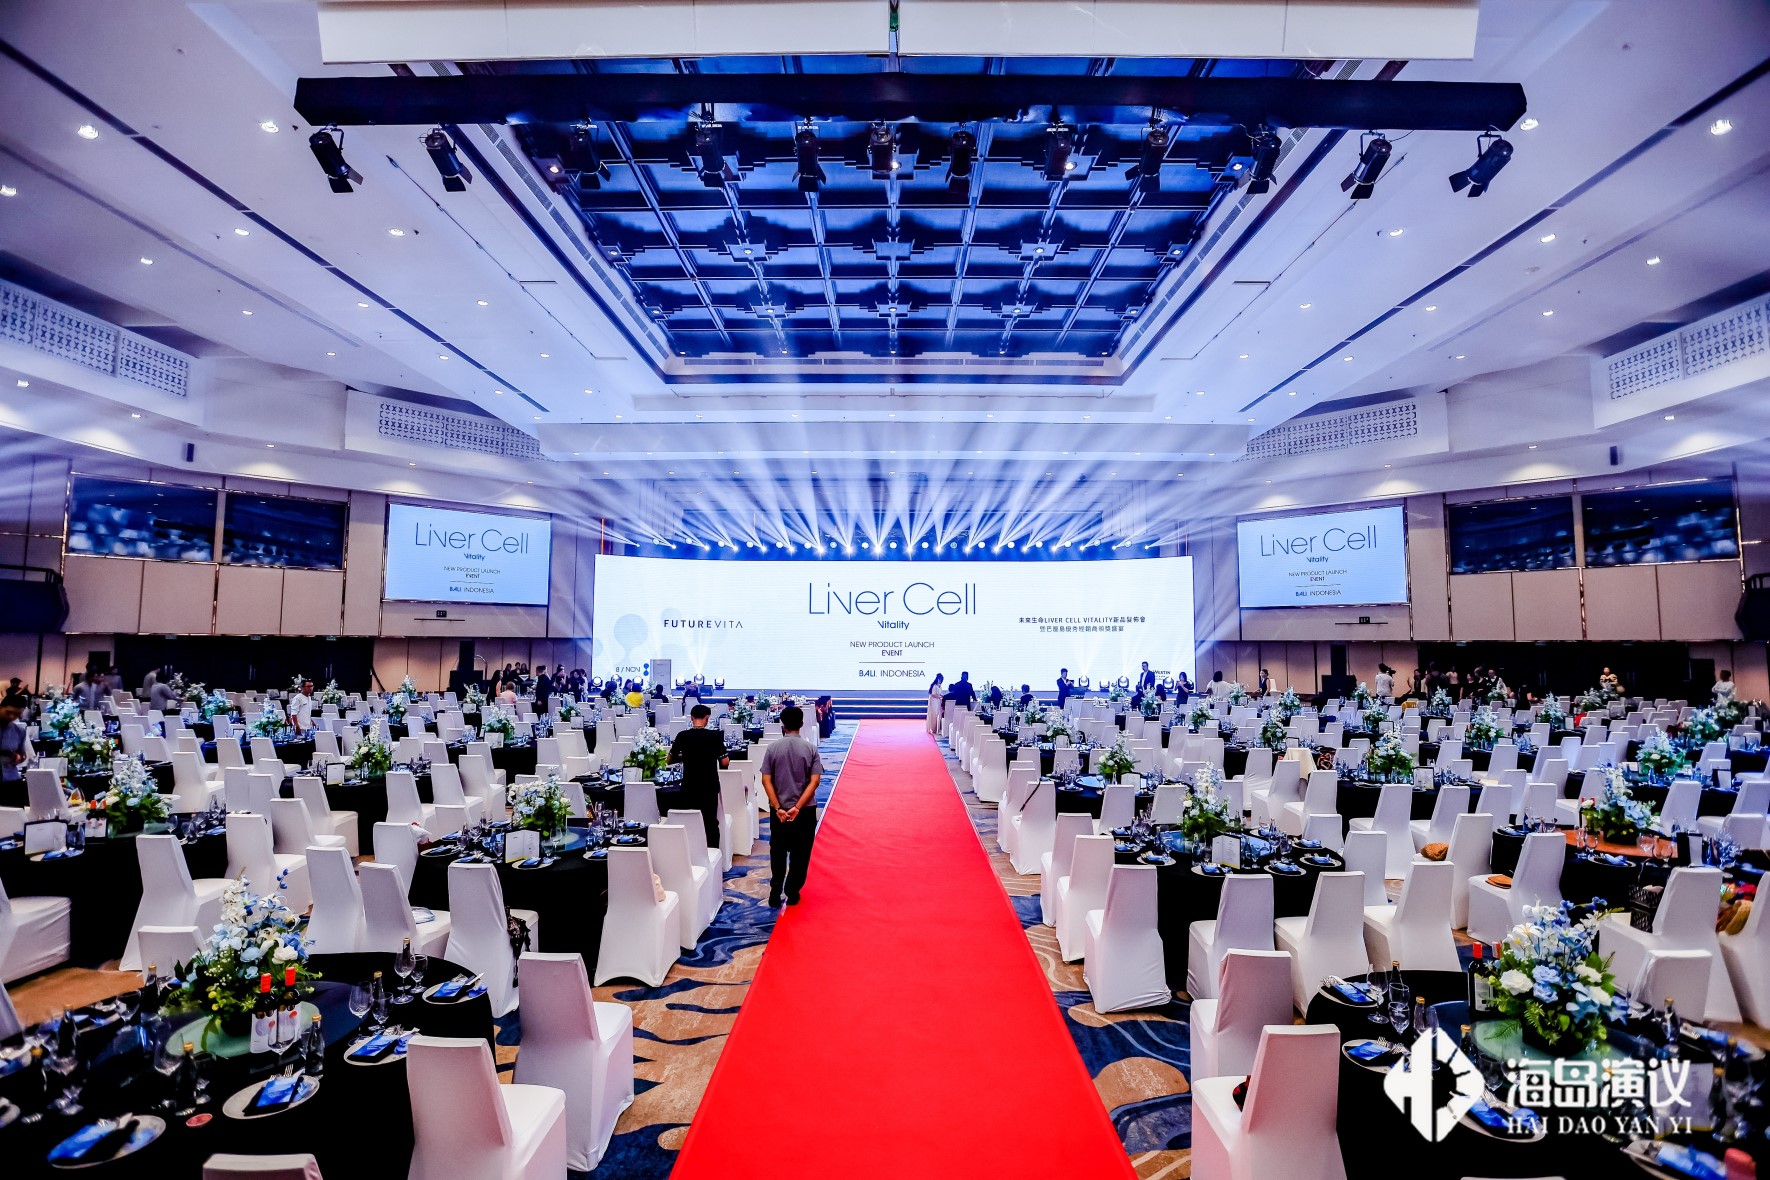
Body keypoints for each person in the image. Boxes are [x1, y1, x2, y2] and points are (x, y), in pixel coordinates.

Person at [760, 705, 822, 907]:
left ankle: (775, 888)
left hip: (779, 812)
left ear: (782, 725)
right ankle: (792, 890)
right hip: (804, 811)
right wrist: (798, 807)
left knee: (777, 850)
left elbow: (766, 780)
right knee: (801, 852)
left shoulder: (773, 748)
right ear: (802, 724)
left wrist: (778, 807)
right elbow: (815, 781)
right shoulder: (810, 749)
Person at [668, 703, 731, 850]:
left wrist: (686, 756)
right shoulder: (714, 736)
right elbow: (725, 761)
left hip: (689, 785)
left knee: (690, 820)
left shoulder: (682, 736)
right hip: (709, 785)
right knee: (710, 822)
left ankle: (692, 852)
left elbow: (669, 759)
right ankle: (713, 853)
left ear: (691, 718)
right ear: (707, 718)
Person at [0, 694, 29, 785]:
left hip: (10, 778)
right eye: (8, 712)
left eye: (17, 714)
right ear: (1, 708)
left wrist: (19, 757)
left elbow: (22, 755)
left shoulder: (19, 731)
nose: (11, 717)